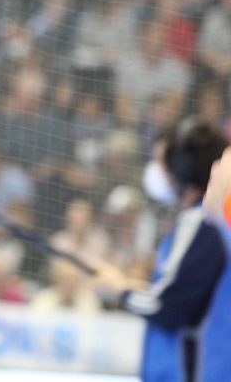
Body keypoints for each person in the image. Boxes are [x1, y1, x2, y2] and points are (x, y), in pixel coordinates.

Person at [96, 118, 231, 382]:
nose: (159, 171)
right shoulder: (202, 225)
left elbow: (167, 307)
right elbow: (186, 296)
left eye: (162, 162)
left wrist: (119, 289)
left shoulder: (200, 223)